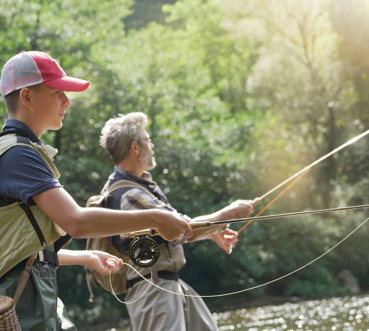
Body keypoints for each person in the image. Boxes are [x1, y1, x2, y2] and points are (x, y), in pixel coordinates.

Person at [0, 51, 193, 331]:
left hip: (25, 295)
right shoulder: (18, 154)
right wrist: (155, 218)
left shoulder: (13, 150)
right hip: (18, 301)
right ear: (27, 98)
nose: (67, 101)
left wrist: (85, 256)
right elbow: (77, 222)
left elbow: (16, 249)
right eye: (58, 92)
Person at [98, 112, 254, 331]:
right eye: (148, 141)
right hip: (154, 290)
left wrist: (212, 232)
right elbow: (181, 230)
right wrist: (227, 214)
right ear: (135, 148)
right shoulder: (130, 194)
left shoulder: (137, 189)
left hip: (168, 285)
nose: (152, 146)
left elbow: (174, 232)